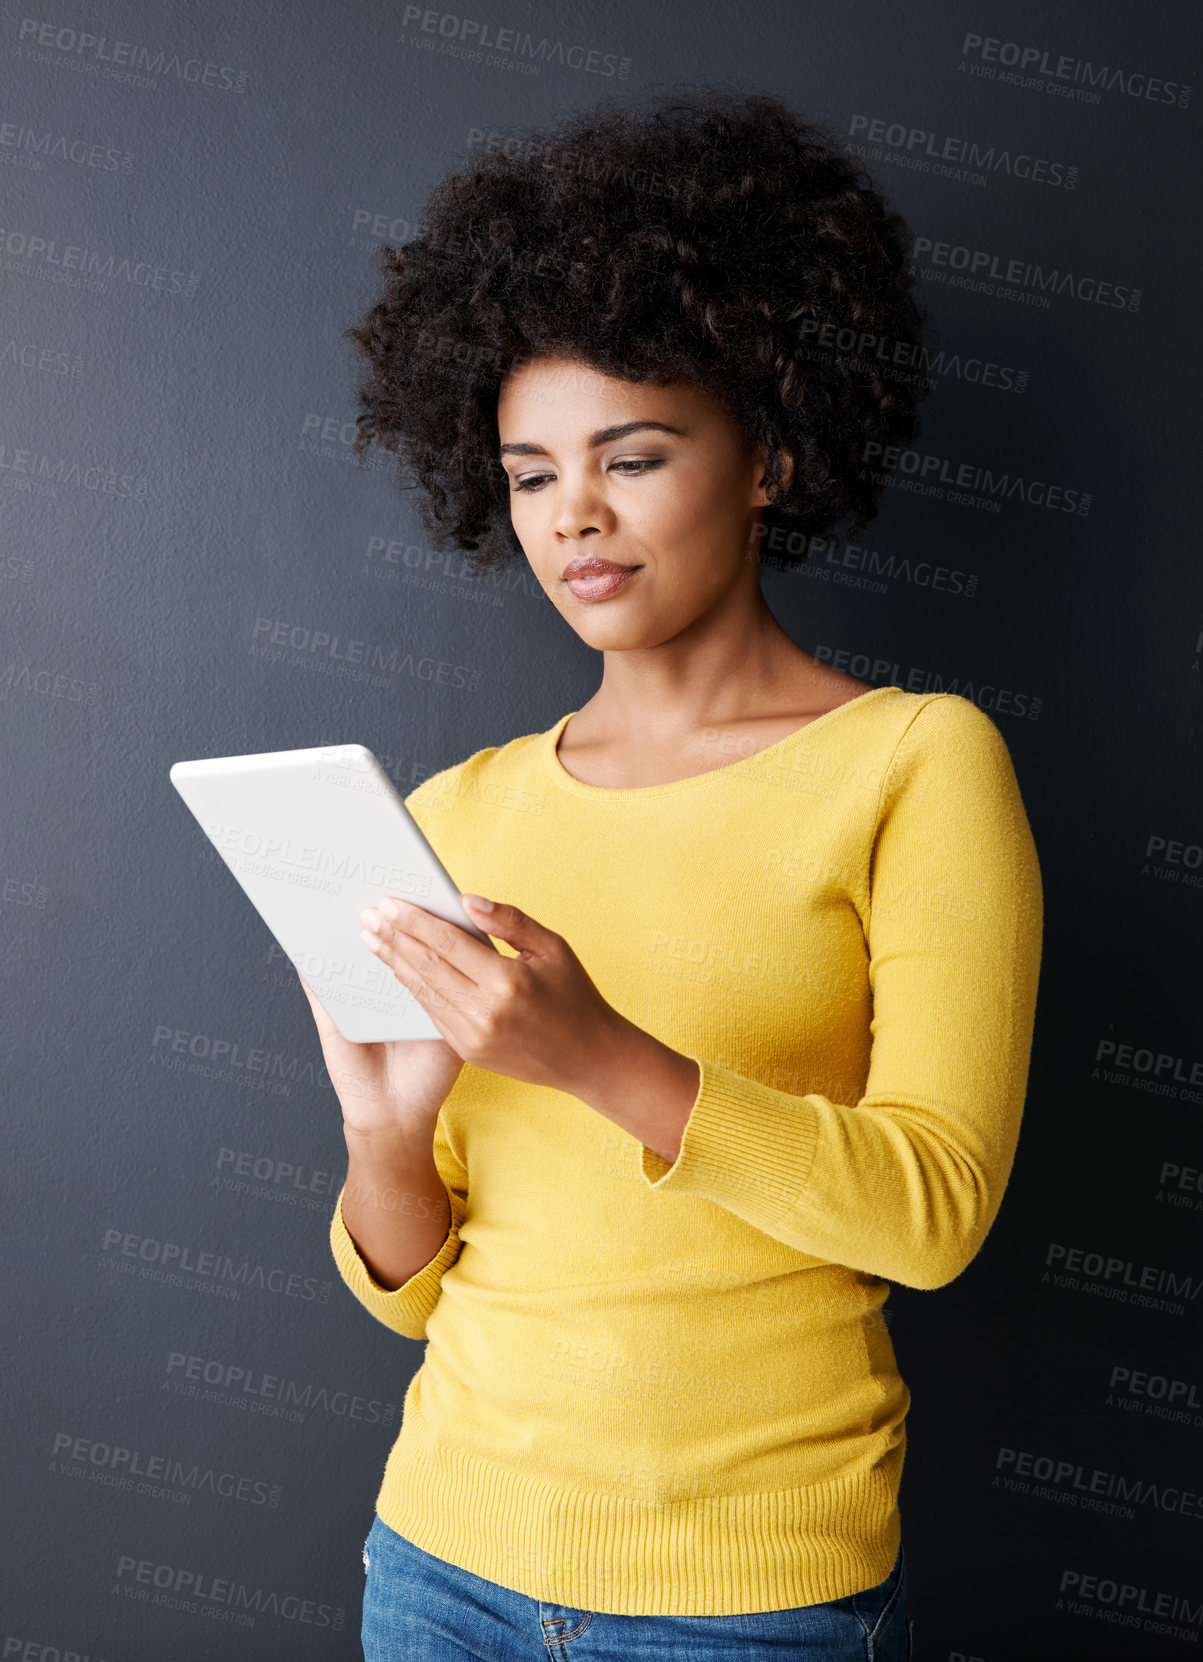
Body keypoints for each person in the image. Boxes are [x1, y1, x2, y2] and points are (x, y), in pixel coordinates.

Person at [297, 85, 1043, 1661]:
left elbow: (931, 1213)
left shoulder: (918, 763)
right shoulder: (456, 810)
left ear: (767, 457)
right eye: (528, 472)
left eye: (633, 456)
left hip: (749, 1603)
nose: (575, 515)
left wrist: (597, 1056)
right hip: (438, 1564)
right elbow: (415, 1293)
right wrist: (386, 1140)